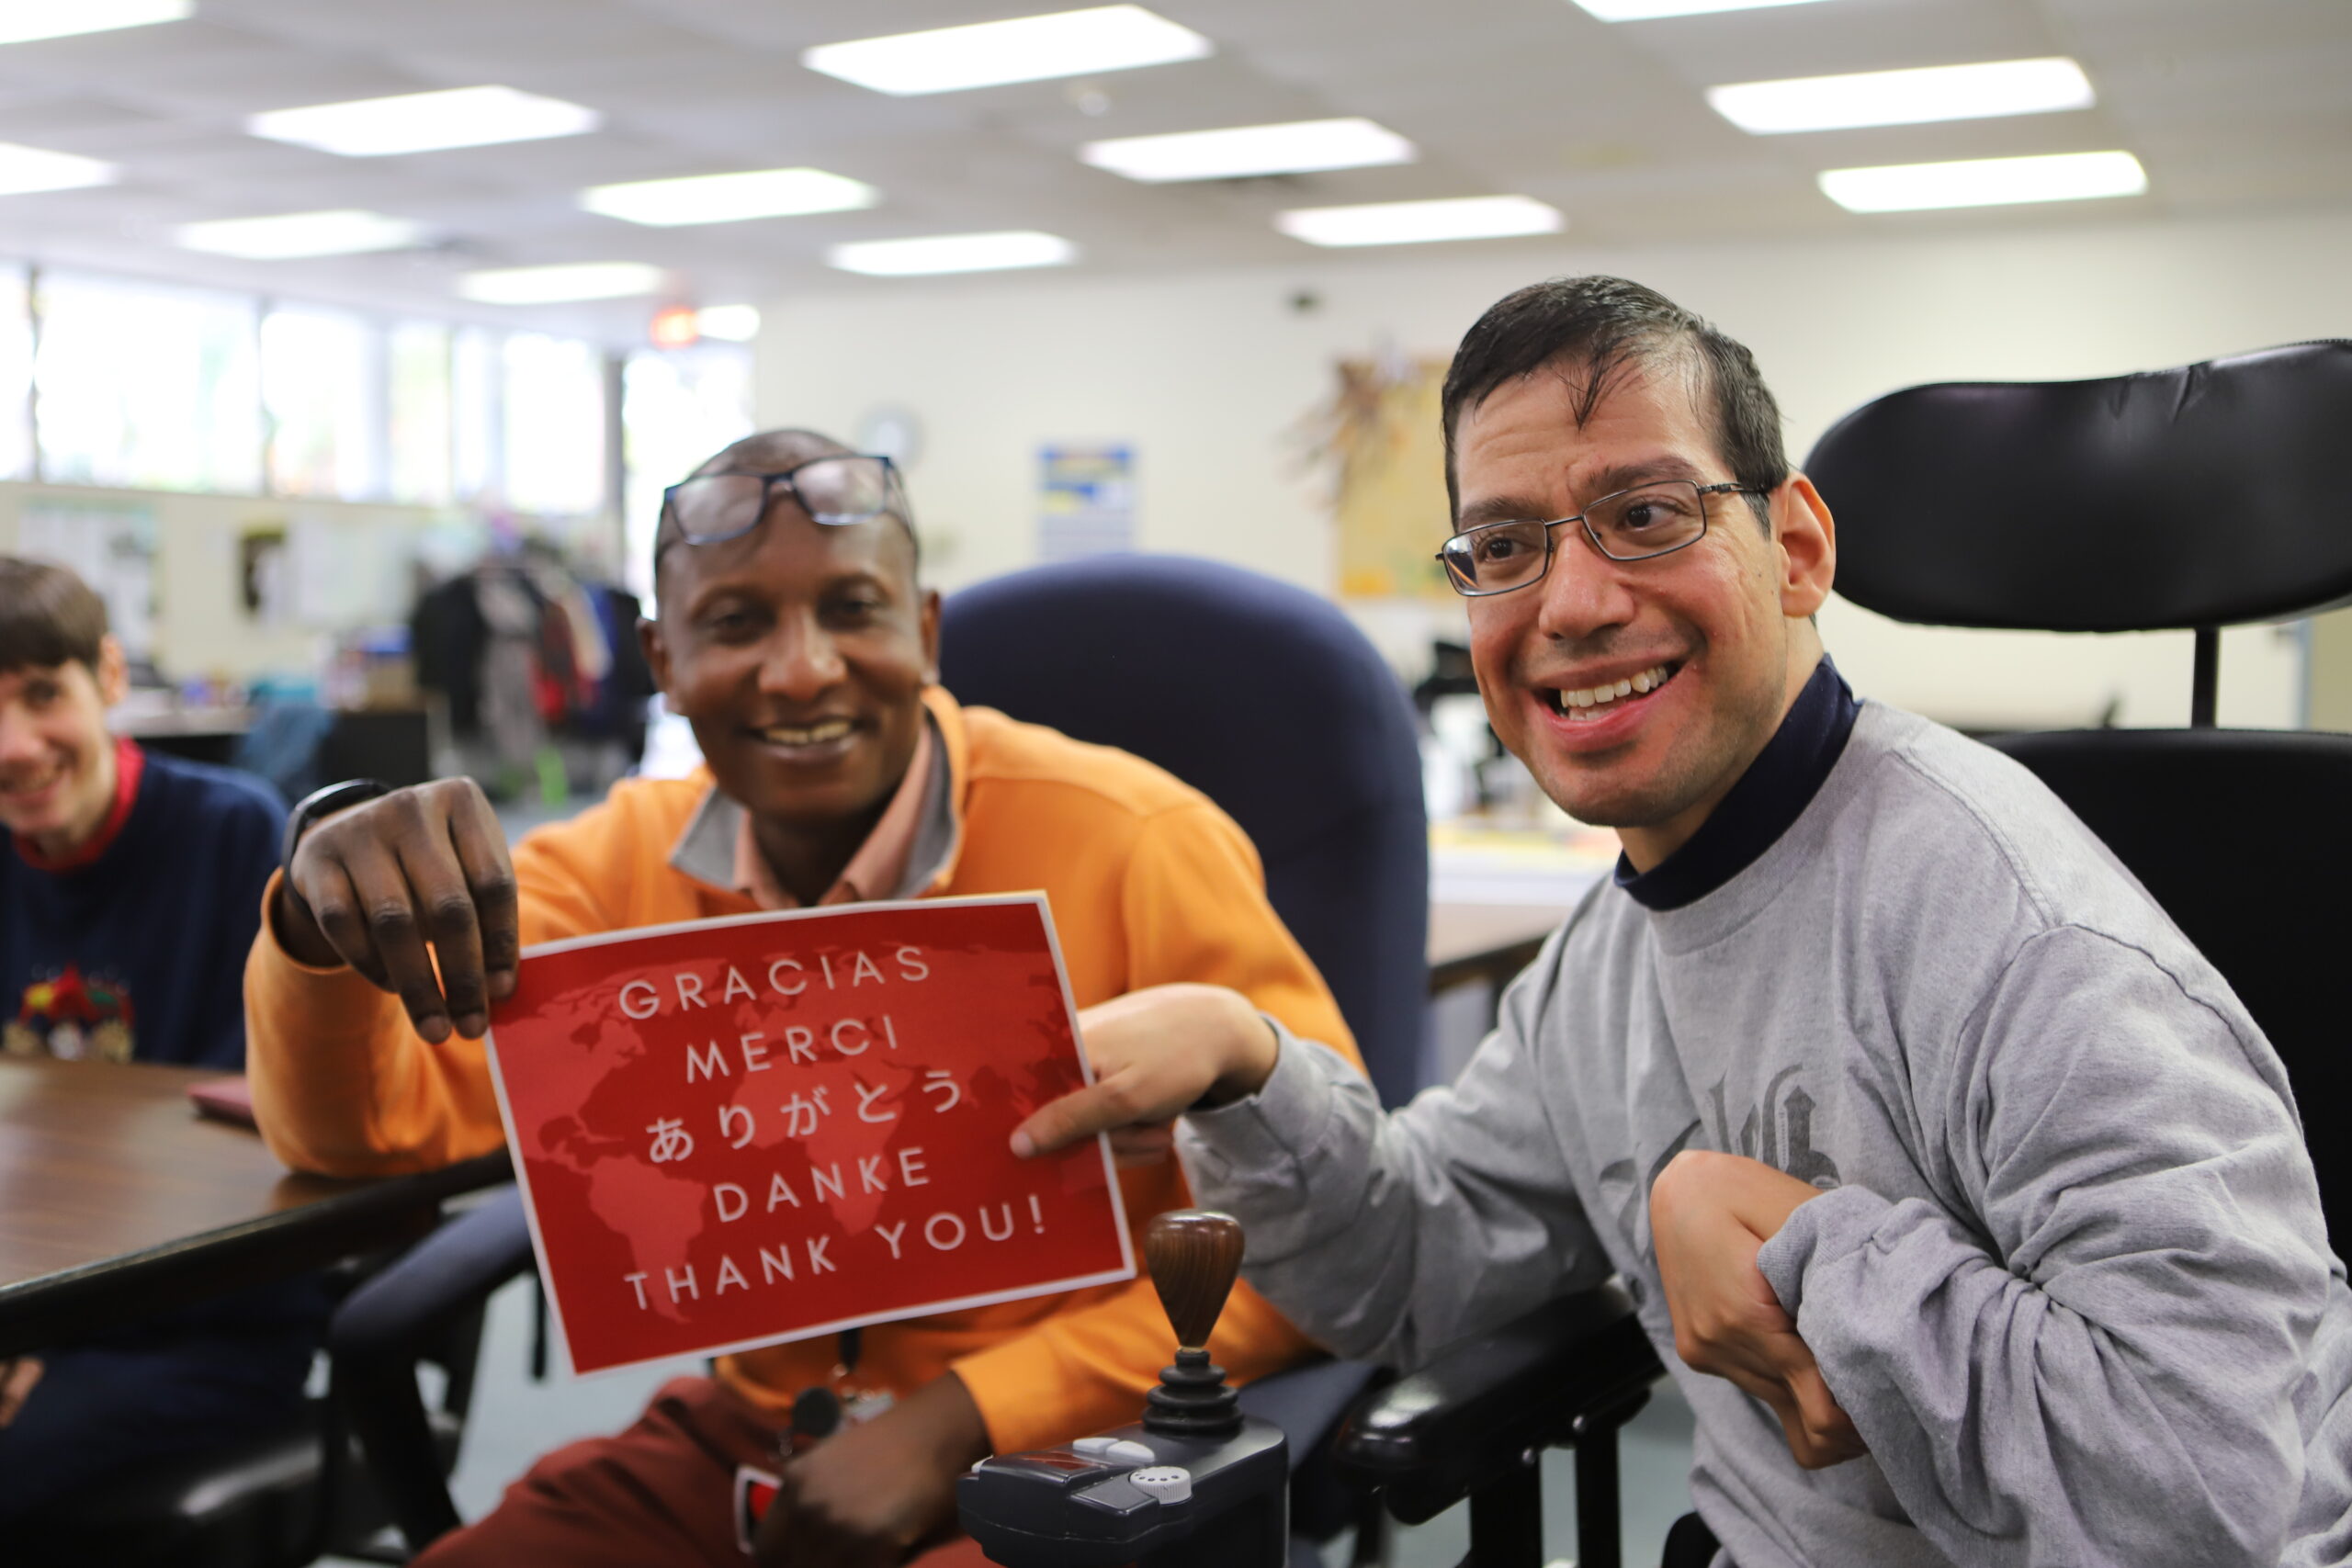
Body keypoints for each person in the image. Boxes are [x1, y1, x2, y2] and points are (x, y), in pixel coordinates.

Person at [1014, 276, 2352, 1568]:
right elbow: (1415, 1263)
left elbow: (2200, 1493)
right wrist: (1246, 1060)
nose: (1574, 603)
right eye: (1504, 545)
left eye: (1645, 513)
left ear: (1798, 548)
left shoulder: (2025, 937)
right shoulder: (1614, 950)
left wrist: (1798, 1246)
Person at [243, 430, 1360, 1567]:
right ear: (660, 661)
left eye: (850, 609)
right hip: (760, 1436)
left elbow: (1326, 1243)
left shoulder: (1134, 841)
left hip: (1087, 1442)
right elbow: (366, 1132)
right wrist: (313, 927)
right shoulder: (610, 870)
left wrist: (964, 1416)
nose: (800, 669)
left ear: (922, 632)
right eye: (733, 624)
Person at [0, 556, 323, 1523]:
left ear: (107, 677)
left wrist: (48, 1344)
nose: (12, 746)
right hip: (30, 1299)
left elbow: (241, 1160)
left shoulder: (230, 836)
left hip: (202, 1319)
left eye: (41, 696)